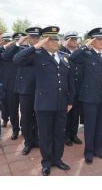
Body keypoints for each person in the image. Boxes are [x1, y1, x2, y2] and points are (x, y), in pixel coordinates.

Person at [14, 26, 74, 176]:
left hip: (61, 103)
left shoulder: (64, 56)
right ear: (44, 41)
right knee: (45, 135)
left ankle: (57, 159)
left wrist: (70, 101)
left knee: (59, 133)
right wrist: (36, 46)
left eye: (56, 39)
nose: (55, 42)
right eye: (51, 39)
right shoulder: (37, 55)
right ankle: (46, 162)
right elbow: (17, 59)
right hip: (44, 104)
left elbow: (70, 81)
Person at [69, 27, 102, 165]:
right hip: (89, 97)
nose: (101, 41)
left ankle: (99, 150)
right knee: (90, 126)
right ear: (92, 41)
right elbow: (72, 58)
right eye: (98, 39)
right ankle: (88, 152)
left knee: (100, 125)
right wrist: (85, 45)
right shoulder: (85, 55)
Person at [2, 27, 41, 155]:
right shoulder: (21, 49)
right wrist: (18, 42)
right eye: (32, 37)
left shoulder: (43, 50)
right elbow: (6, 55)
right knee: (26, 118)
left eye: (37, 37)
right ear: (28, 38)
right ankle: (28, 142)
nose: (35, 39)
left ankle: (36, 140)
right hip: (25, 90)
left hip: (40, 89)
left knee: (38, 118)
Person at [61, 31, 83, 146]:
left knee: (76, 114)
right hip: (67, 89)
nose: (74, 41)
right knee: (67, 114)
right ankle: (65, 136)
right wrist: (63, 45)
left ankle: (73, 134)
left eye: (75, 39)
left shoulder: (80, 53)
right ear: (67, 41)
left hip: (78, 88)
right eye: (71, 39)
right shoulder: (62, 52)